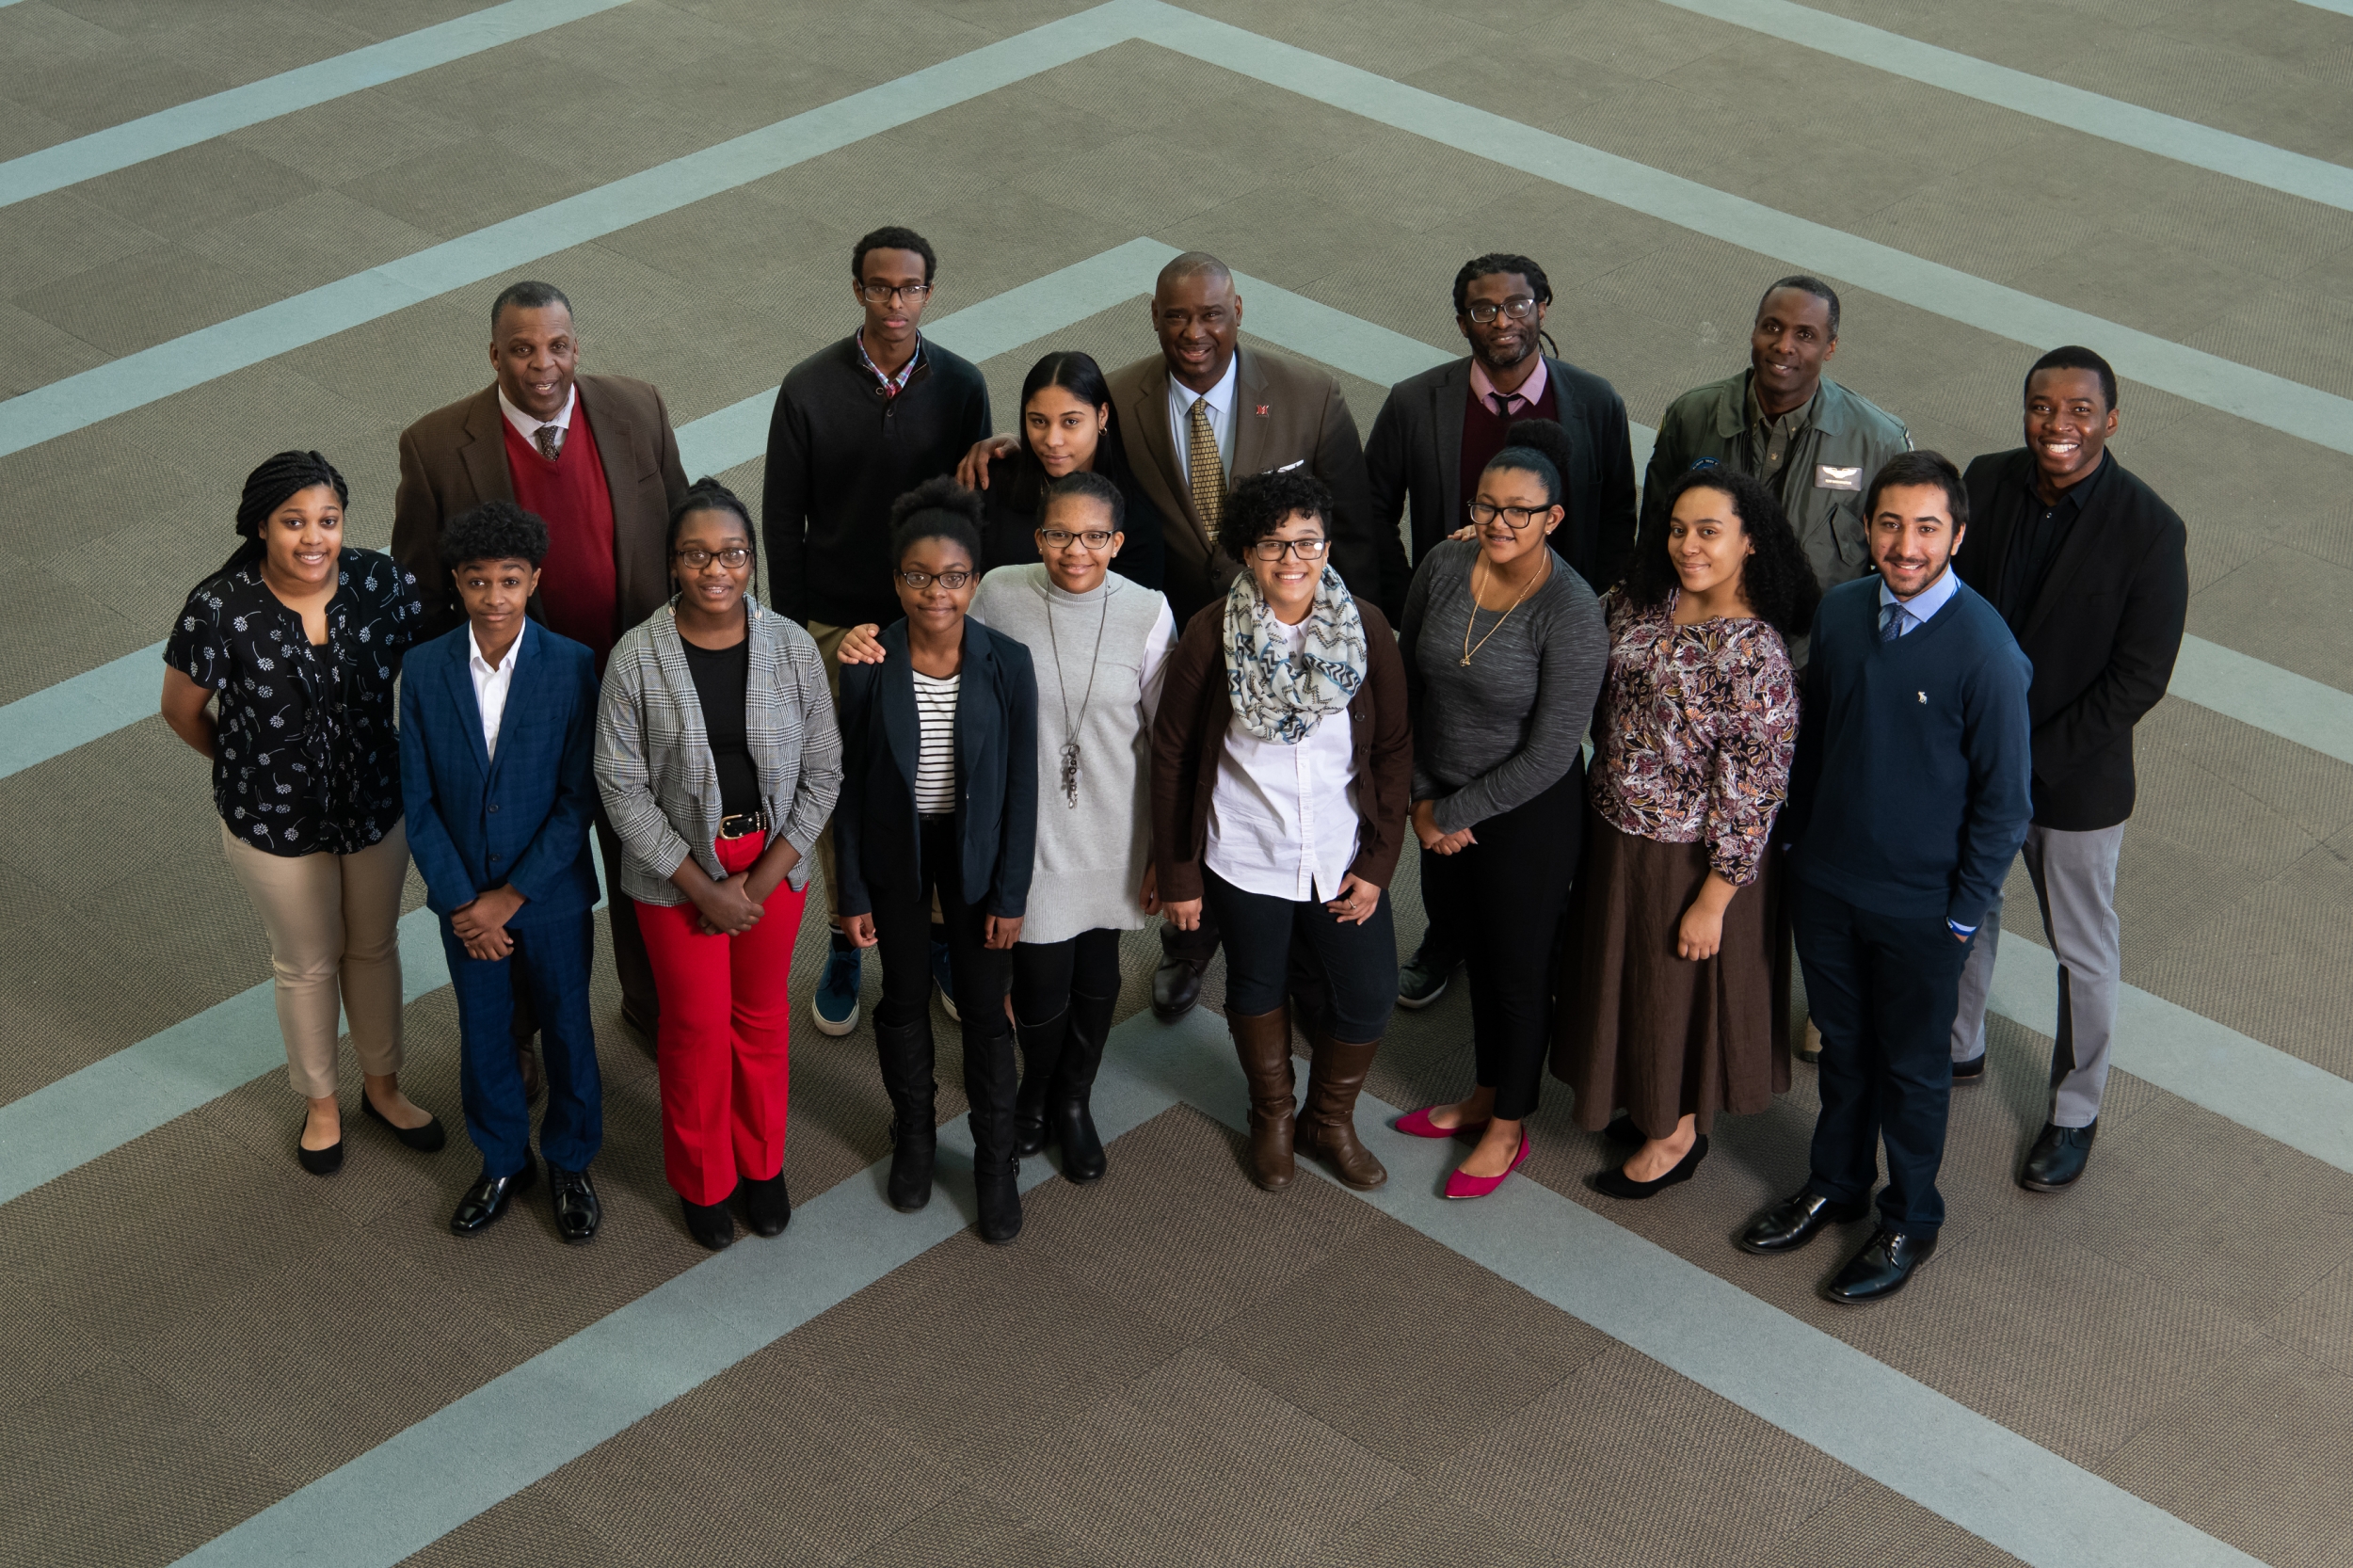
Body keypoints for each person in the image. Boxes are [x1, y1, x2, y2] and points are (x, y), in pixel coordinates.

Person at [1739, 452, 2031, 1304]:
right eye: (1891, 524)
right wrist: (1796, 851)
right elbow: (1816, 740)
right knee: (1844, 1048)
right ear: (1867, 529)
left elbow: (2005, 805)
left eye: (1927, 528)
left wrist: (1959, 918)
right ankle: (1836, 1184)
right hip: (1829, 885)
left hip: (1922, 910)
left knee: (1911, 1071)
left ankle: (1911, 1215)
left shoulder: (1987, 654)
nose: (1906, 545)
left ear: (1958, 537)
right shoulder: (1838, 614)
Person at [836, 472, 1175, 1183]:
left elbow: (1168, 742)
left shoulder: (1149, 612)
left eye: (1093, 536)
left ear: (1116, 541)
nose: (1074, 550)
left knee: (1100, 974)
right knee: (1041, 980)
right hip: (1024, 826)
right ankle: (1034, 1097)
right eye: (1058, 533)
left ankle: (1071, 1105)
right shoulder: (998, 593)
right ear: (1036, 535)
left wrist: (1165, 854)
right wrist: (862, 636)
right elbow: (933, 627)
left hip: (1112, 822)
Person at [390, 279, 691, 1060]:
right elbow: (422, 589)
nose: (541, 364)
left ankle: (653, 1010)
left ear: (576, 345)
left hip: (633, 694)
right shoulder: (434, 446)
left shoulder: (638, 409)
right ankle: (519, 1033)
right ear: (495, 354)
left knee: (647, 858)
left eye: (556, 346)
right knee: (522, 872)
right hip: (516, 710)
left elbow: (684, 543)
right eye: (521, 349)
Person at [1641, 275, 1912, 1065]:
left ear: (1831, 347)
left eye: (1803, 335)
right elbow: (1657, 540)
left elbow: (1887, 575)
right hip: (1703, 676)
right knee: (1712, 842)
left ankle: (1821, 998)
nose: (1783, 347)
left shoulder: (1876, 440)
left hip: (1813, 686)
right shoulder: (1695, 415)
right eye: (1771, 328)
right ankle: (1717, 987)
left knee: (1807, 849)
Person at [1367, 251, 1640, 1012]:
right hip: (1454, 609)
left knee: (1541, 773)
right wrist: (1407, 597)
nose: (1502, 320)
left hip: (1552, 626)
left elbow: (1618, 510)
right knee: (1441, 755)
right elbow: (1371, 507)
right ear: (1462, 322)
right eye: (1483, 309)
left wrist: (1591, 605)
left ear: (1544, 307)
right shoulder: (1415, 402)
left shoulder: (1594, 402)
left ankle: (1535, 929)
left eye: (1517, 303)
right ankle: (1444, 936)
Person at [161, 451, 444, 1175]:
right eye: (294, 522)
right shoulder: (219, 607)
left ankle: (382, 1088)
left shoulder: (382, 584)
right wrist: (247, 764)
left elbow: (439, 668)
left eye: (328, 520)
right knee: (307, 963)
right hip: (271, 823)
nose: (313, 537)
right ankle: (322, 1103)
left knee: (373, 946)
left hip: (375, 804)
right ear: (262, 527)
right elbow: (183, 711)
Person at [1947, 346, 2187, 1192]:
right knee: (1967, 913)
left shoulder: (2151, 529)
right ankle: (1958, 1048)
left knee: (2082, 949)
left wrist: (2031, 761)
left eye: (2080, 410)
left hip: (2074, 783)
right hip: (1973, 758)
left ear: (2110, 420)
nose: (2060, 425)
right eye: (2043, 407)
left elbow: (2137, 680)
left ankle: (2075, 1111)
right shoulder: (1984, 478)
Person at [1554, 469, 1815, 1200]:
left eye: (1709, 532)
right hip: (1613, 833)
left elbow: (1756, 789)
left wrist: (1715, 898)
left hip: (1690, 858)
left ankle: (1677, 1132)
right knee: (1627, 979)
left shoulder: (1754, 653)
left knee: (1675, 993)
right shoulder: (1643, 599)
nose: (1688, 546)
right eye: (1677, 529)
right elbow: (1574, 621)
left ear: (1750, 540)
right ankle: (1641, 1095)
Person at [595, 480, 841, 1252]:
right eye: (697, 554)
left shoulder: (792, 646)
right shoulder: (636, 655)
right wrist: (702, 887)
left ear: (751, 560)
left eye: (732, 553)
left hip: (773, 861)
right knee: (697, 1028)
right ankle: (705, 1179)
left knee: (761, 1022)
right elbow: (619, 783)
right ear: (673, 562)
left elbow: (825, 772)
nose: (715, 569)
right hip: (675, 877)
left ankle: (761, 1167)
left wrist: (757, 886)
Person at [1151, 471, 1412, 1194]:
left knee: (1368, 992)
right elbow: (1171, 755)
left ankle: (1330, 1122)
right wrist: (1179, 874)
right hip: (1244, 849)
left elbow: (1392, 750)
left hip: (1340, 850)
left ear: (1328, 545)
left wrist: (1382, 861)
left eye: (1307, 542)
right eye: (1273, 544)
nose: (1291, 559)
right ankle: (1272, 1114)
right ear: (1245, 550)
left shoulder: (1367, 630)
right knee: (1258, 983)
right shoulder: (1209, 634)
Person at [763, 226, 993, 1038]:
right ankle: (844, 937)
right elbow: (780, 523)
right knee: (840, 788)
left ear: (931, 292)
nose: (895, 303)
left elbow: (973, 514)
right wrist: (795, 641)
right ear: (857, 289)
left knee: (933, 783)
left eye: (910, 288)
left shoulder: (963, 386)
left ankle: (929, 939)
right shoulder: (807, 389)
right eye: (879, 287)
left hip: (928, 620)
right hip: (833, 622)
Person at [1388, 445, 1608, 1198]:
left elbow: (1553, 750)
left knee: (1517, 973)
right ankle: (1482, 1093)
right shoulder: (1446, 567)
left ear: (1553, 518)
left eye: (1520, 510)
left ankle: (1508, 1124)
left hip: (1523, 817)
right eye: (1487, 504)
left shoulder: (1571, 610)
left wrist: (1450, 813)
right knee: (1473, 952)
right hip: (1438, 803)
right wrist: (1422, 798)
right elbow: (1407, 681)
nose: (1499, 522)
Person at [834, 480, 1038, 1243]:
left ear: (975, 581)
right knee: (903, 997)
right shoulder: (867, 662)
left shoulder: (1008, 664)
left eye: (953, 577)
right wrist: (849, 891)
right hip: (897, 850)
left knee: (986, 1009)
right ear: (897, 580)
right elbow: (848, 790)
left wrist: (1012, 895)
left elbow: (1023, 791)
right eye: (918, 576)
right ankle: (914, 1137)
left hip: (979, 857)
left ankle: (994, 1159)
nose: (936, 592)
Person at [399, 502, 605, 1240]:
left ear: (533, 580)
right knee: (483, 1030)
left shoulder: (573, 665)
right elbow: (417, 803)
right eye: (478, 581)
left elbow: (578, 796)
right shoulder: (423, 670)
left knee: (568, 1026)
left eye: (510, 581)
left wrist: (508, 898)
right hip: (463, 906)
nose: (493, 597)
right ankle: (500, 1159)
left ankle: (570, 1160)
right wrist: (464, 902)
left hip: (547, 895)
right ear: (457, 582)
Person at [971, 350, 1167, 595]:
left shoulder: (1135, 520)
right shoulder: (992, 482)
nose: (1053, 440)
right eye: (1039, 421)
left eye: (1070, 422)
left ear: (1102, 416)